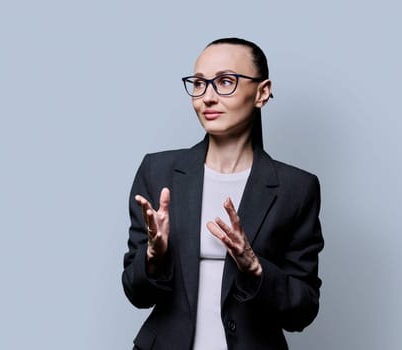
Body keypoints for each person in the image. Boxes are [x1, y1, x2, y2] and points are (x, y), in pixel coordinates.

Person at [121, 38, 324, 350]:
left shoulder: (296, 189)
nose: (207, 97)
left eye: (225, 82)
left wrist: (255, 267)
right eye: (199, 84)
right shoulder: (158, 172)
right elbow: (136, 294)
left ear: (262, 92)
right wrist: (153, 257)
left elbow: (303, 310)